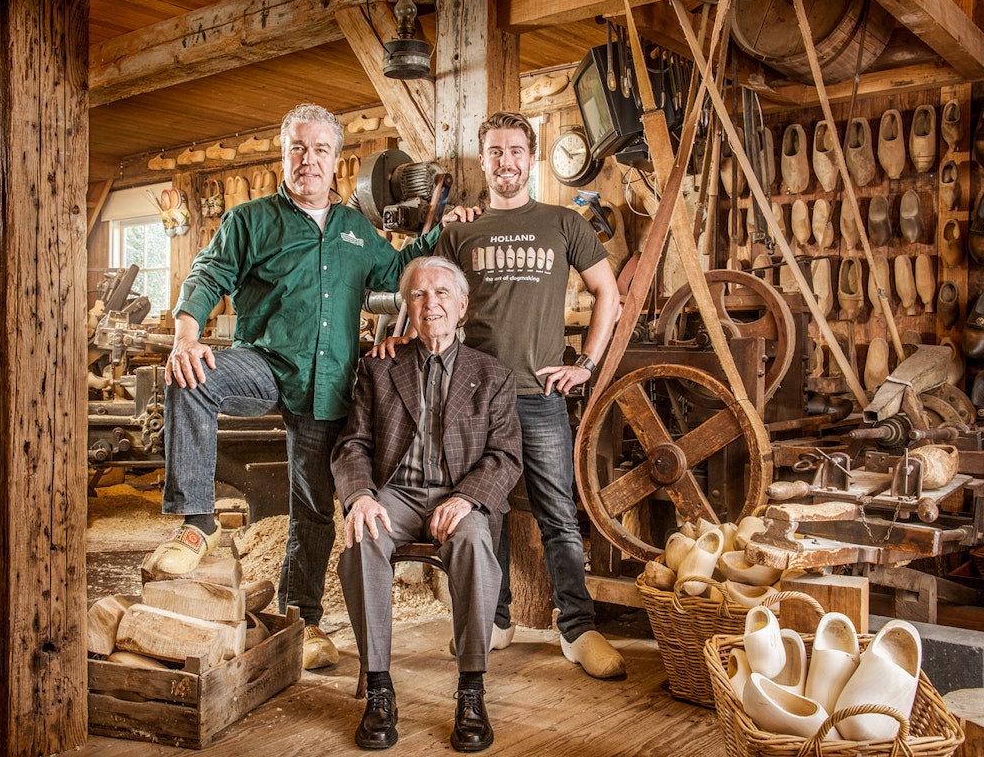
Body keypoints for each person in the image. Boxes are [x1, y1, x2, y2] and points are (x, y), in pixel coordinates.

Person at [145, 102, 443, 671]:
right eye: (298, 149)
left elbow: (398, 273)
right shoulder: (250, 220)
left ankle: (301, 622)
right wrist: (187, 335)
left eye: (321, 150)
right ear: (285, 155)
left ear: (336, 161)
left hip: (329, 382)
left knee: (313, 507)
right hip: (264, 364)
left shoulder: (358, 230)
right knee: (190, 378)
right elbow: (208, 274)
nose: (309, 160)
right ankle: (196, 523)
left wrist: (440, 233)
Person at [435, 111, 624, 678]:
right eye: (495, 152)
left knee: (560, 516)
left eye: (516, 151)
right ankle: (494, 622)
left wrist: (586, 365)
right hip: (473, 398)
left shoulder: (564, 224)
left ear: (531, 157)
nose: (506, 162)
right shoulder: (459, 230)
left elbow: (607, 294)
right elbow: (435, 301)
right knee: (482, 515)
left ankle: (577, 628)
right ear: (484, 159)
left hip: (541, 396)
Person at [333, 256, 521, 752]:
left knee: (477, 542)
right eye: (418, 295)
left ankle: (472, 691)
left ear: (462, 306)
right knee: (361, 537)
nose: (430, 303)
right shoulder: (379, 366)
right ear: (406, 308)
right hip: (395, 493)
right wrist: (359, 497)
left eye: (441, 294)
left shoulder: (493, 374)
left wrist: (467, 498)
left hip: (459, 496)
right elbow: (352, 444)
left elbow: (505, 456)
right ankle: (378, 689)